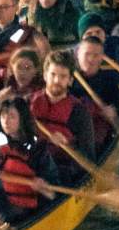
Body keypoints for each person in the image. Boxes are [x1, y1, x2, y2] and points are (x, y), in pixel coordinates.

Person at [29, 50, 95, 182]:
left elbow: (88, 156)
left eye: (63, 76)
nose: (56, 80)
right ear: (44, 75)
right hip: (31, 162)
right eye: (53, 74)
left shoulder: (79, 112)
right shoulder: (28, 103)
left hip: (62, 169)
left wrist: (68, 144)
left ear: (70, 81)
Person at [0, 97, 59, 221]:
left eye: (11, 116)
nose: (5, 121)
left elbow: (53, 189)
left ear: (22, 119)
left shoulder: (37, 149)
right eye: (3, 115)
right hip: (2, 201)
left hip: (28, 208)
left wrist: (45, 188)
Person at [70, 35, 119, 153]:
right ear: (78, 55)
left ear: (101, 58)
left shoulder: (109, 80)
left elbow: (118, 110)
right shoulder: (68, 78)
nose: (91, 59)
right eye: (87, 54)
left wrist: (112, 113)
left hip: (97, 132)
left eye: (96, 55)